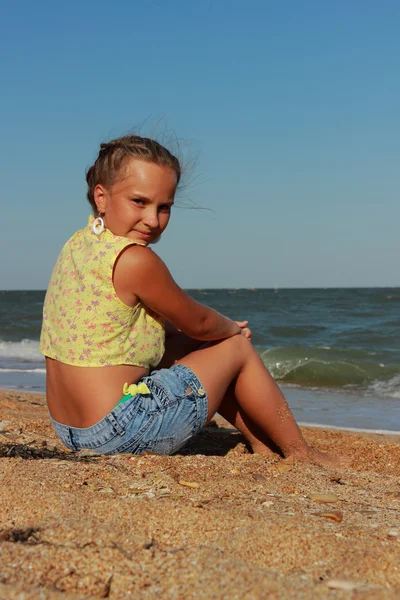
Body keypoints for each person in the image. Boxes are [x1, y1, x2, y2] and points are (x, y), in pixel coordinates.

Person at [40, 134, 343, 467]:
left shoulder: (77, 247)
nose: (153, 220)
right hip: (119, 432)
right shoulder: (135, 260)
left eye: (164, 207)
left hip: (69, 430)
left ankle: (261, 443)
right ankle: (300, 452)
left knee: (179, 346)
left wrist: (207, 342)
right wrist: (231, 329)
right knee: (234, 346)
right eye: (139, 202)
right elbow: (199, 323)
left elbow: (167, 332)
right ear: (102, 197)